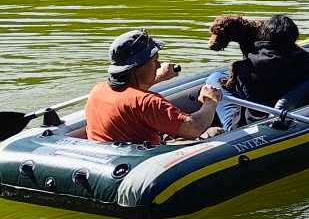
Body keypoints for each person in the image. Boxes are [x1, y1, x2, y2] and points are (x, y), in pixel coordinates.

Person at [82, 30, 220, 146]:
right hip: (149, 161)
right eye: (154, 61)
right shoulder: (148, 103)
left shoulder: (97, 90)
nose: (159, 65)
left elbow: (129, 94)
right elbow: (194, 128)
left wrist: (157, 77)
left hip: (113, 156)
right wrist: (210, 101)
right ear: (136, 68)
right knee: (216, 132)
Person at [224, 15, 309, 126]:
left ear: (264, 35)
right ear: (293, 37)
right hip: (273, 113)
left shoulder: (243, 67)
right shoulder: (304, 60)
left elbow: (242, 96)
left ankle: (224, 127)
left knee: (215, 79)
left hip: (248, 121)